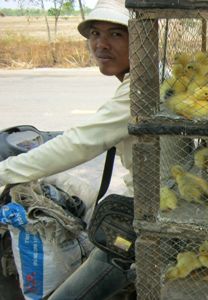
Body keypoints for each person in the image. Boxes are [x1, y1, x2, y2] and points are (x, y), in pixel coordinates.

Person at [0, 0, 136, 299]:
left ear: (140, 39)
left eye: (115, 34)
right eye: (95, 34)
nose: (101, 44)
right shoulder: (143, 78)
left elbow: (79, 144)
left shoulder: (139, 89)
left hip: (146, 215)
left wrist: (4, 171)